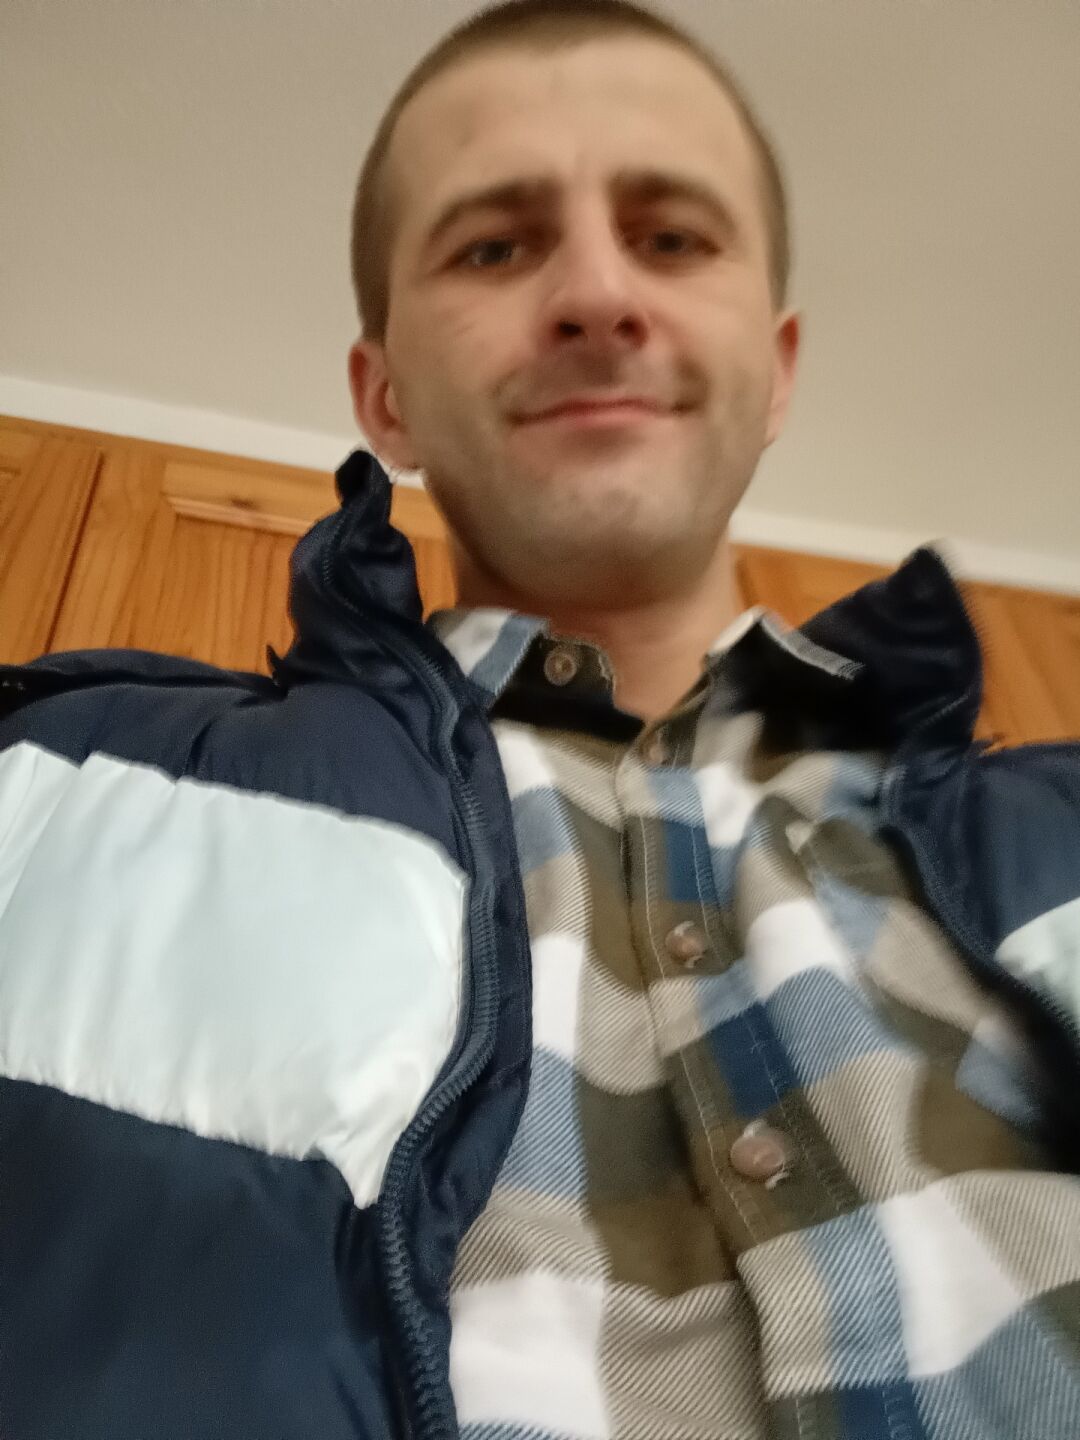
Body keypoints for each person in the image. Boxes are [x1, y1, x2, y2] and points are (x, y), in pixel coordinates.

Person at [0, 1, 1077, 1437]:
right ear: (384, 396)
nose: (597, 296)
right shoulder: (48, 790)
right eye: (496, 248)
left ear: (779, 371)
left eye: (672, 238)